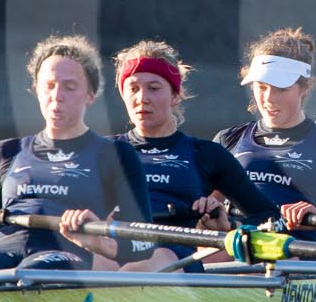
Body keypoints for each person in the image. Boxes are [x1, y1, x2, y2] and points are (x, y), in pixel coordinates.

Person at [0, 34, 172, 272]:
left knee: (34, 272)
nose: (57, 96)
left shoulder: (115, 155)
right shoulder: (6, 152)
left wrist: (98, 243)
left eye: (69, 87)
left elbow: (142, 243)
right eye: (49, 86)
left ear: (90, 95)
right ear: (36, 90)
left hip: (63, 256)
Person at [214, 28, 316, 235]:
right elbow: (203, 208)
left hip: (293, 251)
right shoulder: (229, 139)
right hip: (236, 244)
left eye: (281, 89)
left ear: (305, 88)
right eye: (262, 87)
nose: (269, 98)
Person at [111, 39, 280, 231]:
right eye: (133, 89)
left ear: (175, 96)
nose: (142, 98)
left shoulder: (206, 154)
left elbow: (270, 217)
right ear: (123, 95)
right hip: (114, 252)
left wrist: (231, 225)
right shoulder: (103, 151)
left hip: (176, 254)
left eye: (154, 88)